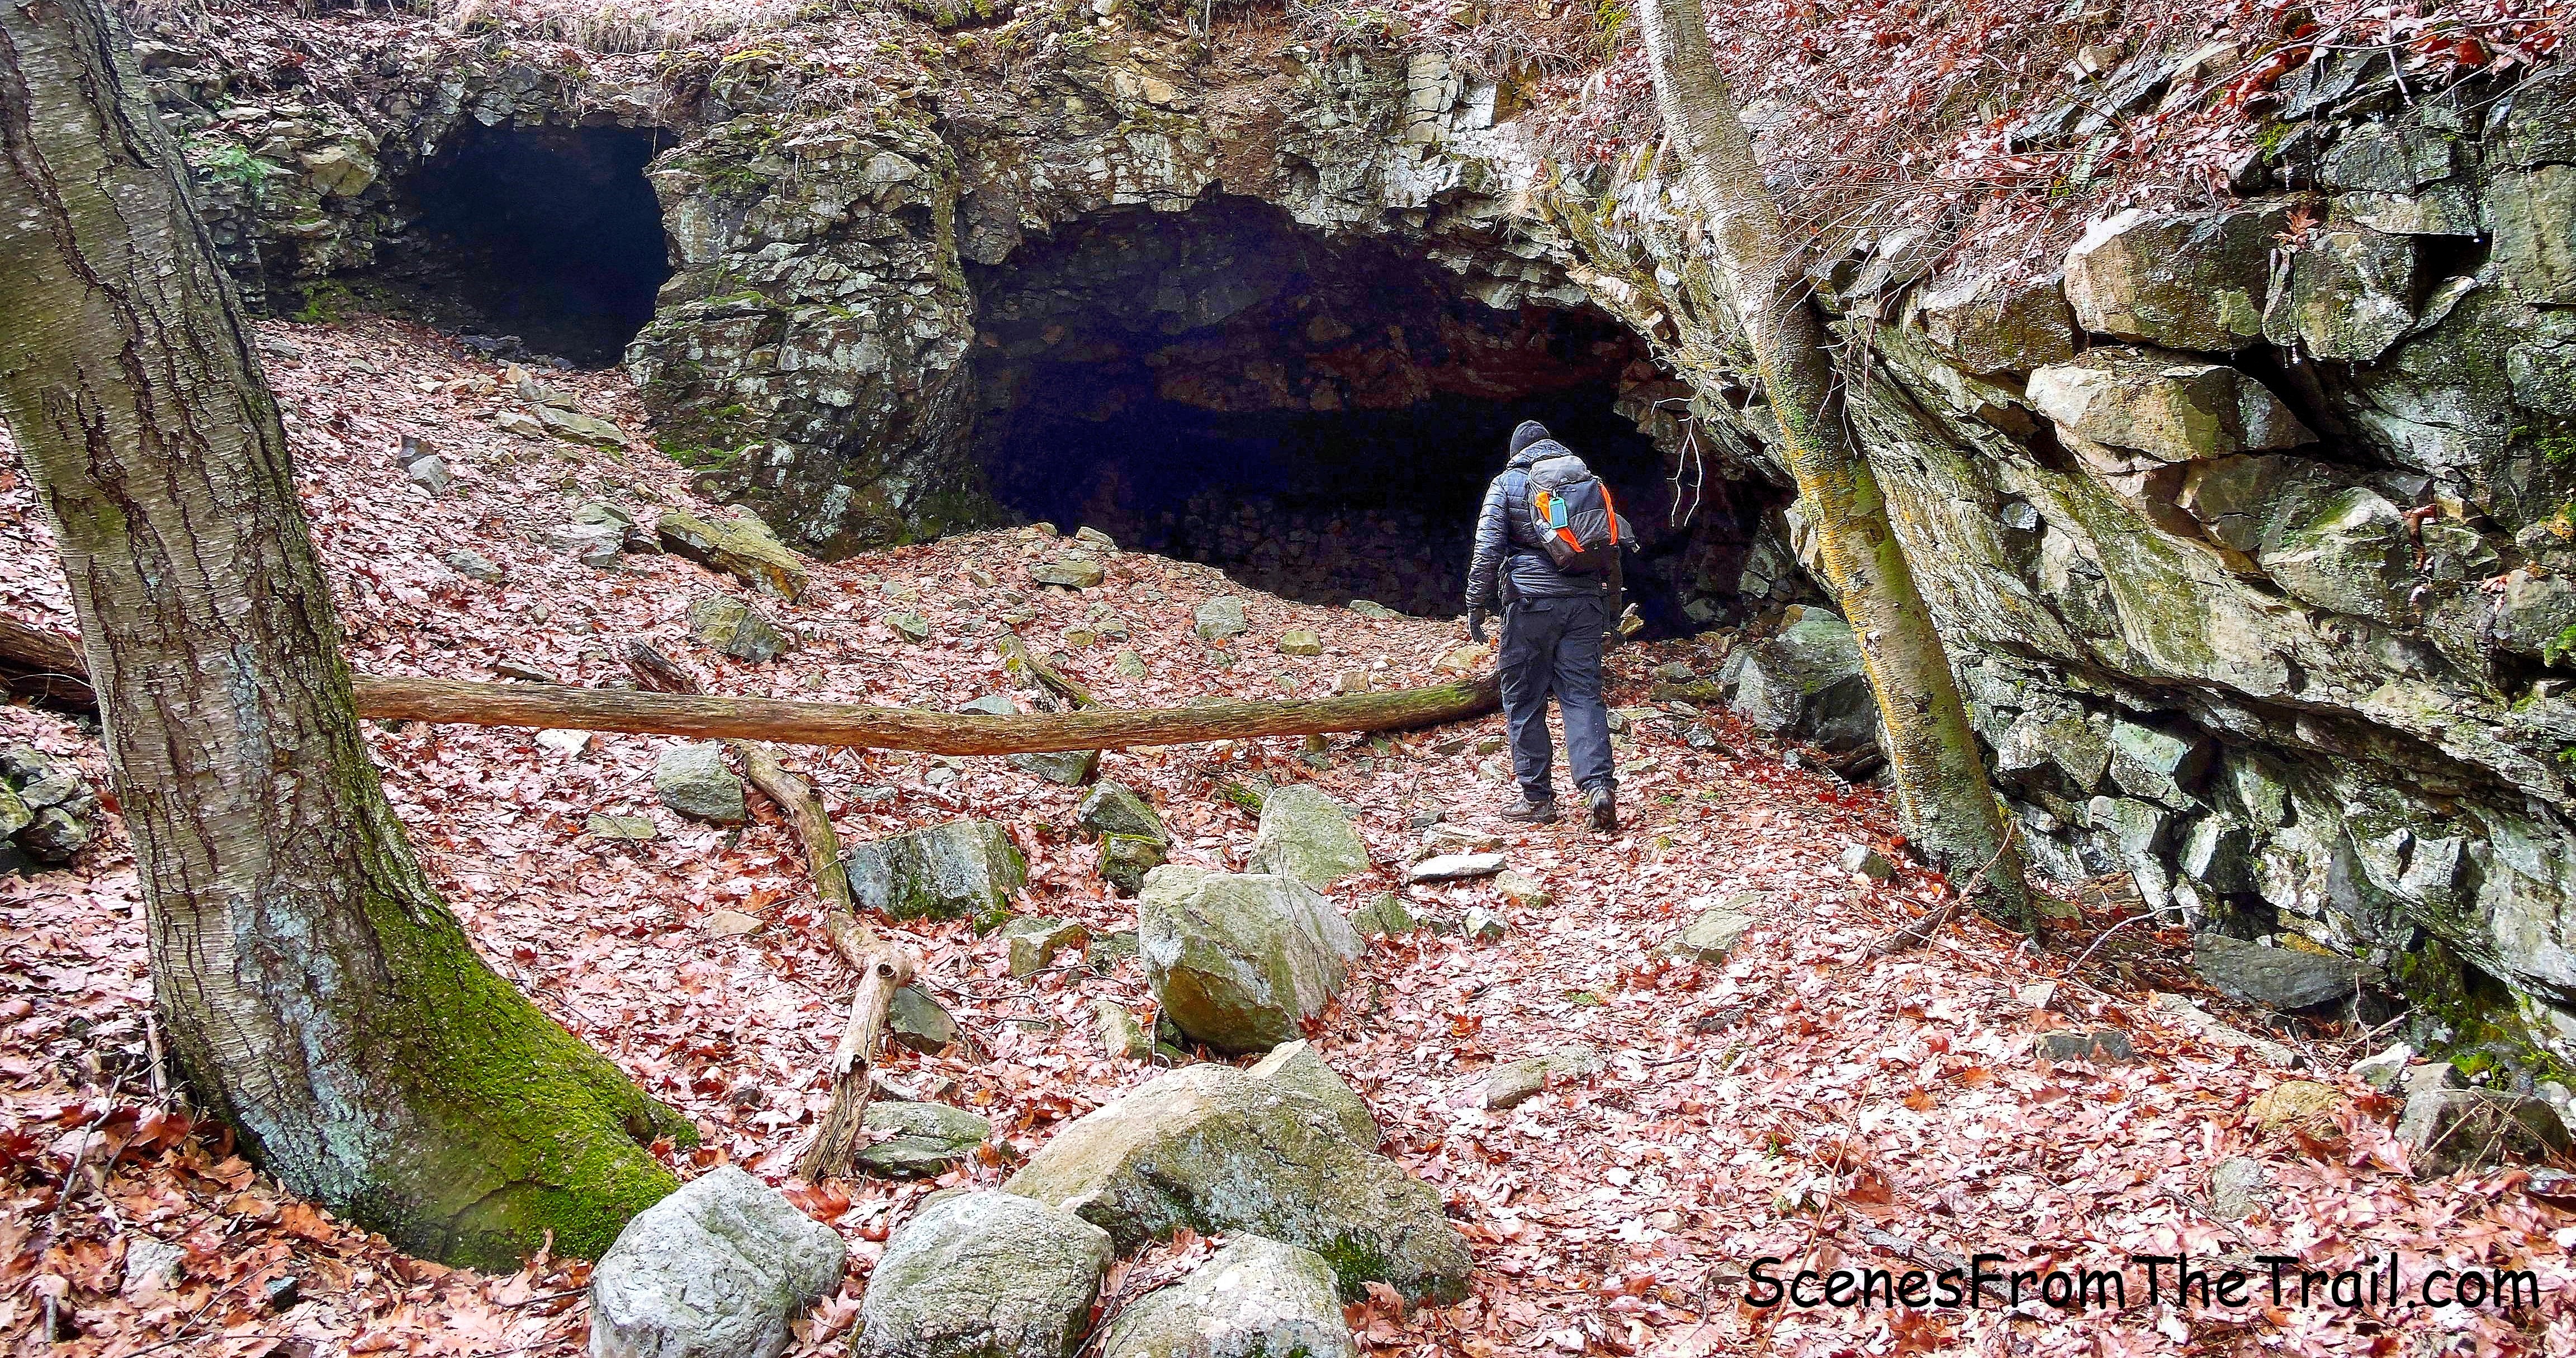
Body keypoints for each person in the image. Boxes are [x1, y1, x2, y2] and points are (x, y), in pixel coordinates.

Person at [1462, 419, 1623, 832]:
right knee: (1582, 695)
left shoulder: (1507, 483)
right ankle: (1598, 787)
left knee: (1524, 697)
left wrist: (1475, 604)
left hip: (1530, 604)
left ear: (1517, 451)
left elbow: (1488, 549)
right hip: (1584, 603)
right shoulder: (1586, 479)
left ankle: (1537, 799)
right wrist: (1612, 612)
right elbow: (1611, 548)